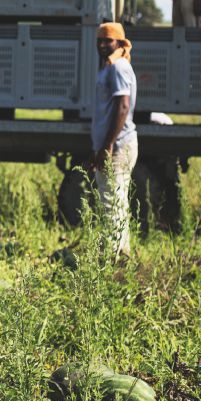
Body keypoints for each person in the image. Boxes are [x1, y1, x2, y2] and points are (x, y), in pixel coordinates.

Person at [90, 21, 138, 258]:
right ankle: (122, 254)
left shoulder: (118, 68)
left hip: (117, 146)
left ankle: (112, 257)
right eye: (99, 40)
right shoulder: (112, 67)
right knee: (117, 200)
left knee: (111, 201)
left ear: (119, 42)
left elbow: (123, 106)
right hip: (115, 144)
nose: (102, 44)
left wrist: (107, 145)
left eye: (107, 40)